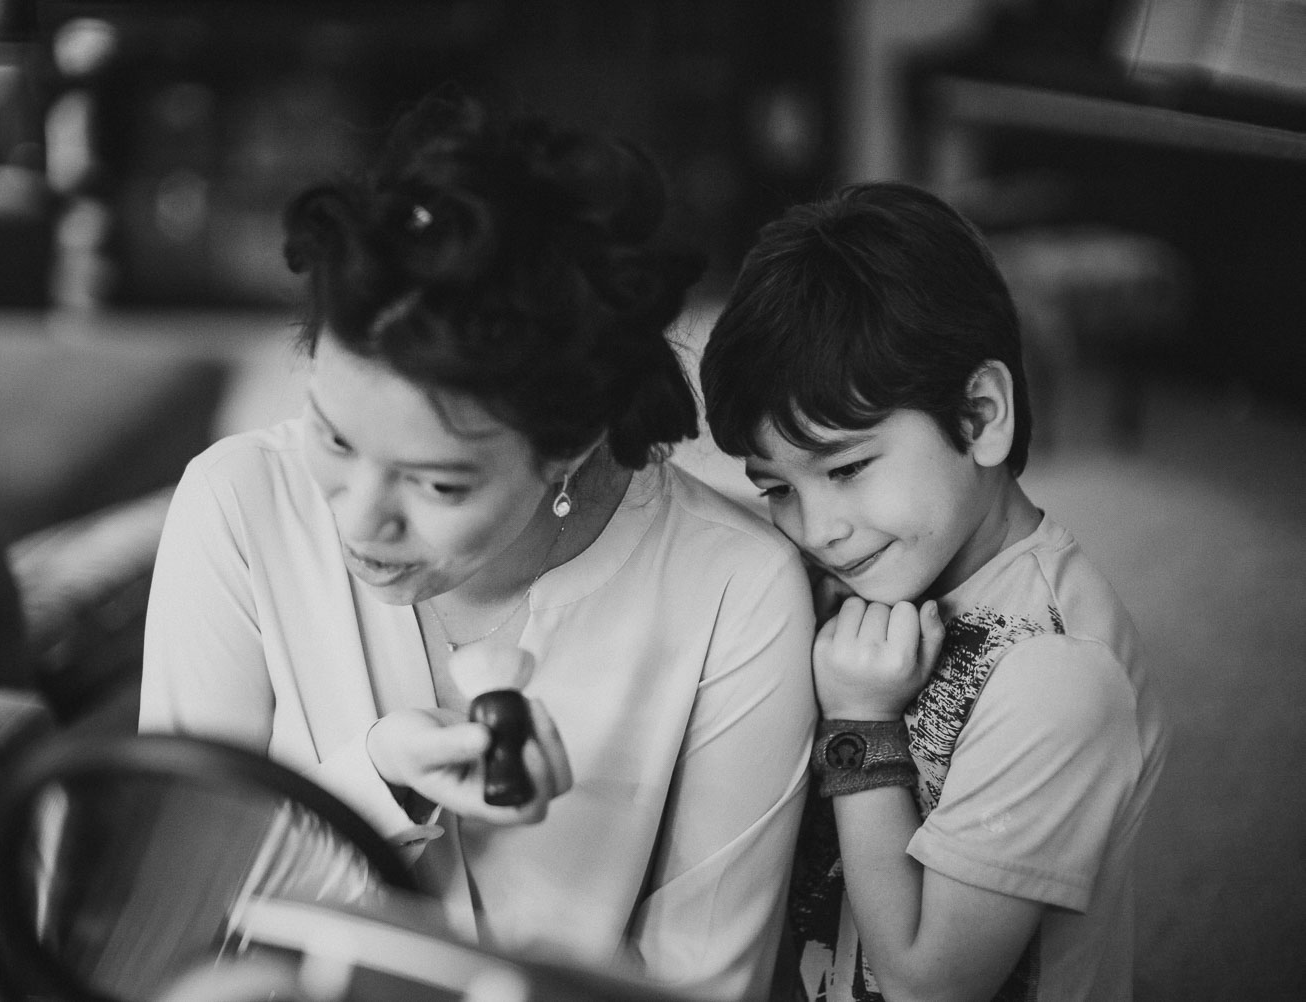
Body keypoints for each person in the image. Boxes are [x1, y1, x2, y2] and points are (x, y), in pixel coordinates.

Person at [139, 93, 817, 1001]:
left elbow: (704, 987)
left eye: (437, 484)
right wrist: (377, 781)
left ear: (567, 446)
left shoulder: (735, 590)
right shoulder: (237, 505)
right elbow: (168, 924)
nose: (359, 520)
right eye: (335, 439)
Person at [700, 182, 1167, 1002]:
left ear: (982, 415)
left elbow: (927, 985)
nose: (817, 530)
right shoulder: (889, 549)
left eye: (846, 468)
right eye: (778, 487)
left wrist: (862, 725)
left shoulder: (1059, 677)